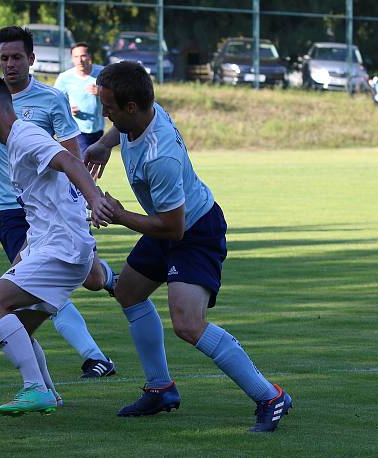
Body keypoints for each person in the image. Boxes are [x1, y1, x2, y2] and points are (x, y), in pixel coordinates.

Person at [84, 61, 291, 432]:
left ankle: (270, 396)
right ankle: (160, 388)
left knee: (188, 324)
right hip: (168, 223)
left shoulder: (159, 156)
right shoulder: (146, 110)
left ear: (132, 108)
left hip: (193, 231)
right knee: (129, 291)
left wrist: (118, 215)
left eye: (110, 108)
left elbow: (173, 228)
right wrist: (102, 144)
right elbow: (121, 129)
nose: (105, 114)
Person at [0, 69, 113, 415]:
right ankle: (49, 393)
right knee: (20, 326)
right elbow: (43, 206)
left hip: (63, 249)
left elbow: (70, 160)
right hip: (51, 244)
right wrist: (25, 254)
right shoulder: (14, 143)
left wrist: (95, 200)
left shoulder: (26, 137)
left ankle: (34, 389)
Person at [0, 25, 117, 379]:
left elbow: (70, 155)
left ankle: (106, 280)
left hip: (50, 210)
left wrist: (86, 201)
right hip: (10, 207)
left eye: (16, 58)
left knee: (41, 288)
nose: (9, 64)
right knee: (31, 288)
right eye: (4, 58)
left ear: (31, 60)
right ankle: (89, 356)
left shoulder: (49, 99)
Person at [54, 42, 105, 154]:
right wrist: (67, 109)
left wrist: (102, 92)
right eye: (76, 57)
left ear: (89, 56)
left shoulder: (102, 73)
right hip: (76, 130)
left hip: (98, 129)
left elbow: (118, 92)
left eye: (83, 55)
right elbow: (54, 102)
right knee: (82, 163)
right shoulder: (65, 78)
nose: (80, 60)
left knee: (94, 166)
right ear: (72, 59)